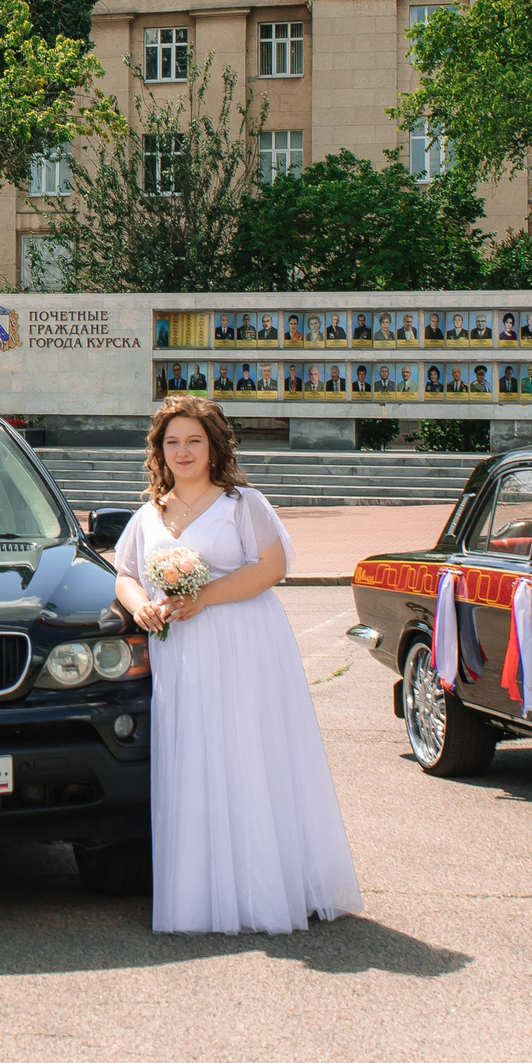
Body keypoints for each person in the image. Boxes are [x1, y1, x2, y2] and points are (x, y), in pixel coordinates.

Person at [111, 396, 362, 935]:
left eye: (193, 440)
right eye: (172, 441)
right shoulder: (149, 513)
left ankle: (265, 889)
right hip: (180, 652)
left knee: (246, 752)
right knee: (195, 756)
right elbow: (125, 573)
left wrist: (206, 597)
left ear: (213, 446)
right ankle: (203, 895)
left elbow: (274, 566)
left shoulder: (241, 503)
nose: (183, 451)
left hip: (242, 643)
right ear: (159, 450)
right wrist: (142, 606)